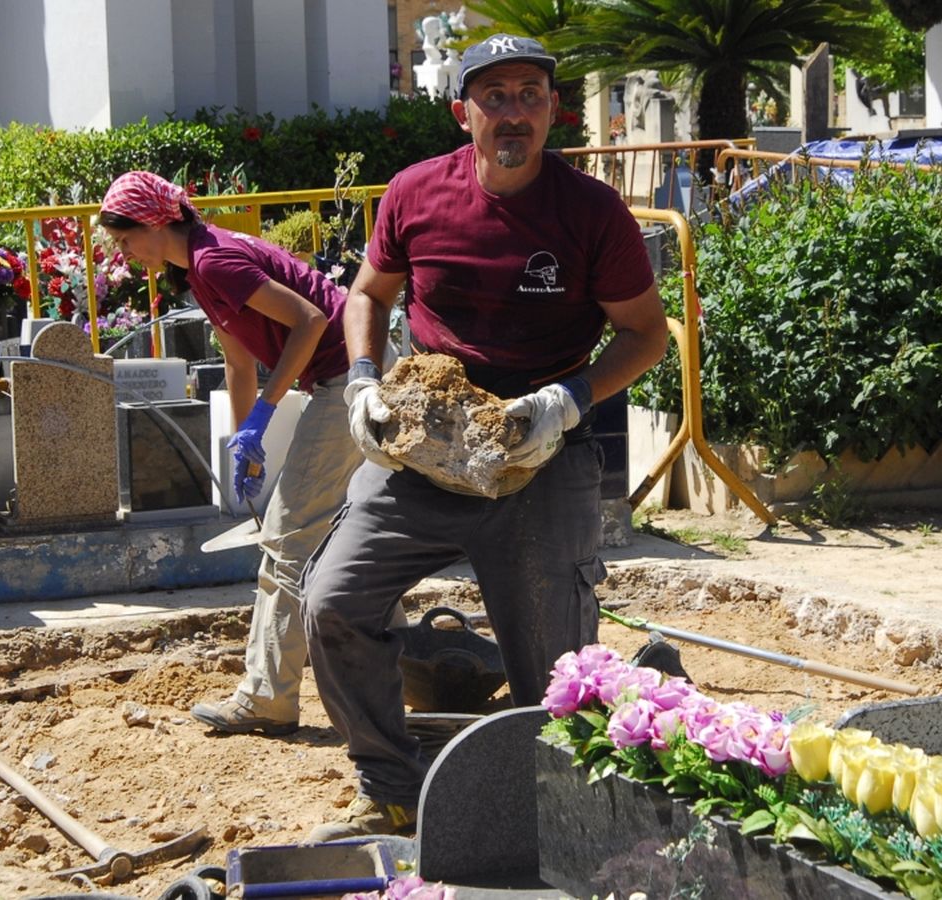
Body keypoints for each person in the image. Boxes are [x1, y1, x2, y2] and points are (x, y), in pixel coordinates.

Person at [299, 33, 668, 841]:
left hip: (539, 457)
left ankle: (559, 812)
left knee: (555, 673)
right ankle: (392, 783)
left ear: (553, 109)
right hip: (426, 448)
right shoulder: (415, 192)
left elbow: (647, 334)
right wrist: (363, 378)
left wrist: (566, 403)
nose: (513, 113)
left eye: (529, 94)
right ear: (462, 109)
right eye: (494, 97)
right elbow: (367, 293)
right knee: (331, 602)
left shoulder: (590, 212)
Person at [99, 171, 363, 737]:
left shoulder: (216, 260)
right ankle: (403, 664)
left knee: (289, 539)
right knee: (348, 534)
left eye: (125, 240)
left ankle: (266, 697)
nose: (124, 253)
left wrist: (267, 413)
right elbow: (239, 365)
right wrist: (249, 442)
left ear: (154, 222)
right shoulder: (200, 269)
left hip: (350, 379)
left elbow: (311, 321)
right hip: (349, 376)